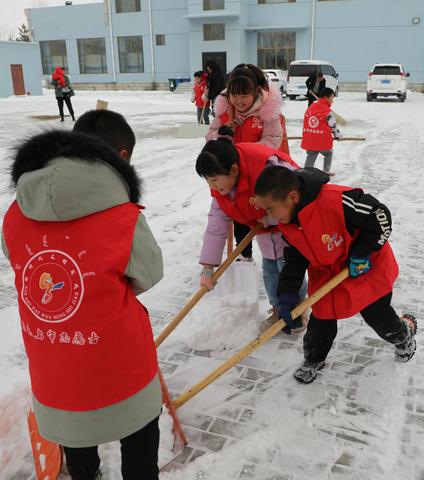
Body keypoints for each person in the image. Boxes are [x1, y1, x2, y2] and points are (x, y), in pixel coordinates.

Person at [2, 110, 164, 479]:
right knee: (139, 452)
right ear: (118, 159)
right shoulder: (123, 216)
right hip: (122, 370)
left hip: (56, 372)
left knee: (79, 459)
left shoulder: (15, 214)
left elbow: (17, 260)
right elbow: (149, 274)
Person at [253, 166, 417, 384]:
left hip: (364, 265)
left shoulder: (335, 201)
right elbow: (295, 261)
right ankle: (313, 359)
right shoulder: (288, 224)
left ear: (292, 197)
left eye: (271, 209)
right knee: (321, 318)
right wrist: (286, 297)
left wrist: (362, 252)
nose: (269, 216)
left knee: (378, 317)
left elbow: (380, 215)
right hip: (327, 271)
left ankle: (403, 334)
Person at [196, 138, 309, 329]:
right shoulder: (221, 191)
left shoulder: (264, 167)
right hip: (264, 231)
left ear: (233, 170)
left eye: (214, 180)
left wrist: (270, 217)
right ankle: (277, 309)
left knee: (288, 269)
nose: (212, 187)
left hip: (288, 225)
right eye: (208, 181)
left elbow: (294, 193)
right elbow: (216, 226)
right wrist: (208, 267)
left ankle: (297, 309)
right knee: (270, 270)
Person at [206, 63, 289, 262]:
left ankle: (279, 256)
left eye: (244, 95)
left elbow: (272, 141)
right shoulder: (225, 112)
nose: (239, 100)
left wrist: (243, 155)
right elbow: (209, 138)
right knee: (237, 212)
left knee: (267, 215)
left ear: (256, 91)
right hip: (233, 174)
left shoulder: (267, 113)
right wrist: (221, 134)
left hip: (261, 172)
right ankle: (244, 255)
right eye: (234, 95)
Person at [302, 87, 342, 175]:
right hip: (322, 141)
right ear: (326, 97)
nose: (332, 101)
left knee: (311, 154)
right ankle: (326, 171)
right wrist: (338, 136)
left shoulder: (311, 107)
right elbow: (333, 126)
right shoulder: (327, 111)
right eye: (332, 98)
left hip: (309, 139)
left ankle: (305, 173)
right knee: (328, 153)